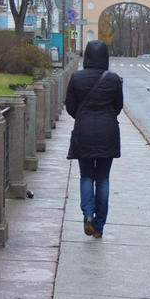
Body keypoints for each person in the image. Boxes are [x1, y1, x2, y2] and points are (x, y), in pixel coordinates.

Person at [65, 40, 123, 239]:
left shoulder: (77, 78)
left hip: (84, 131)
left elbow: (70, 106)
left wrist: (83, 117)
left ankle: (87, 215)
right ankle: (99, 225)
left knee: (87, 176)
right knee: (104, 178)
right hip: (108, 132)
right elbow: (118, 107)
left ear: (87, 56)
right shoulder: (114, 79)